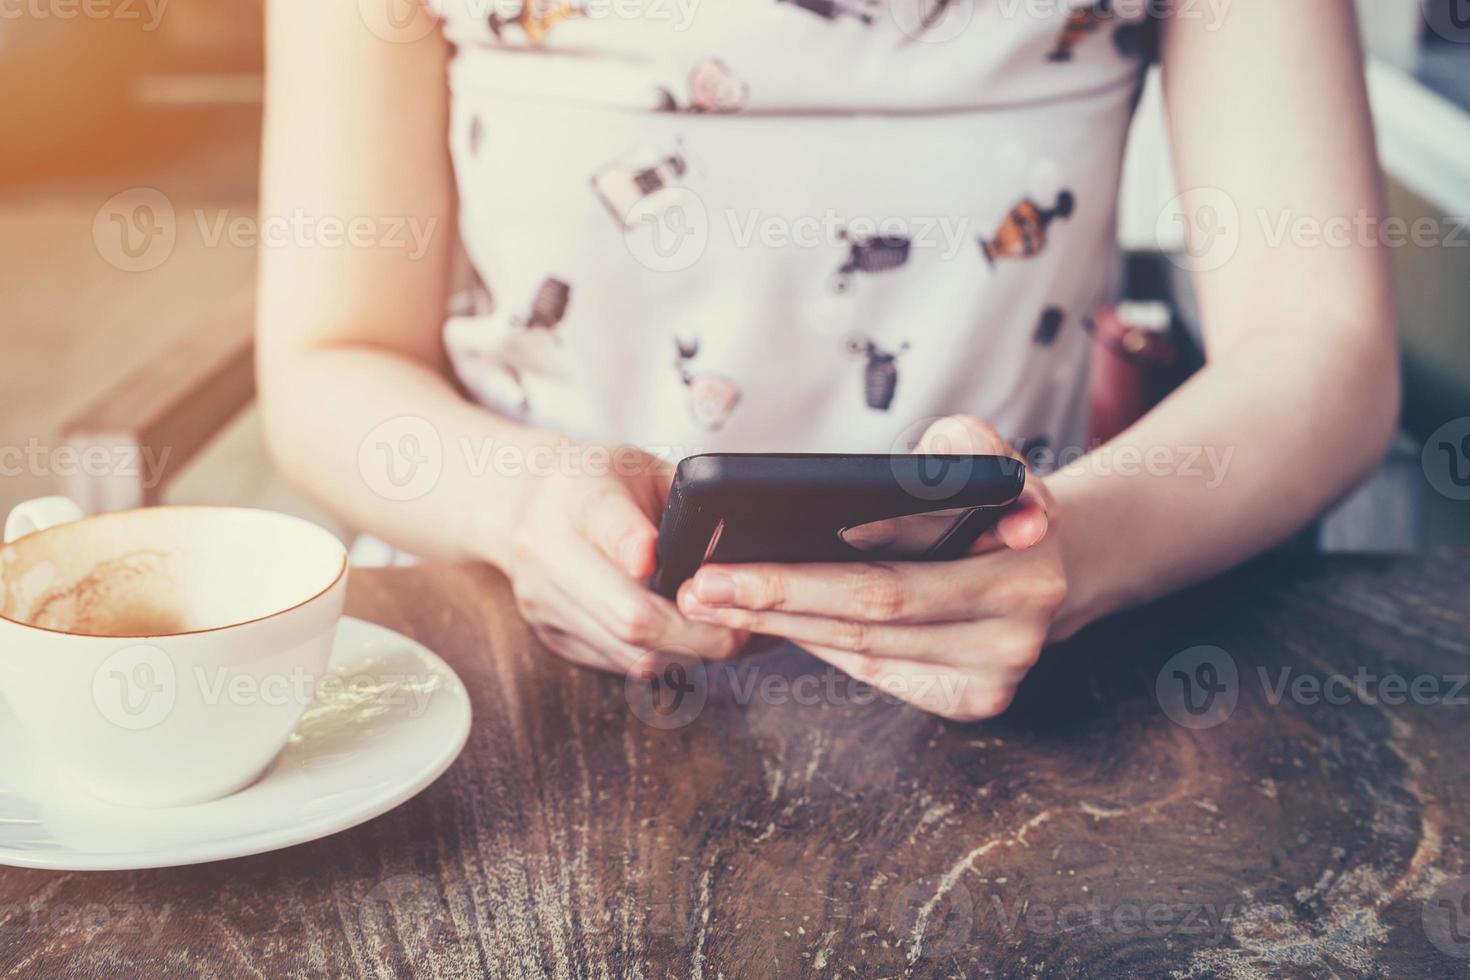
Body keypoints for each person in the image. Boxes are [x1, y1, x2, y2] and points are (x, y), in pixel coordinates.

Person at [256, 0, 1399, 721]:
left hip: (1028, 676)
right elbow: (324, 356)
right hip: (489, 659)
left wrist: (1074, 548)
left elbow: (1323, 343)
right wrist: (518, 504)